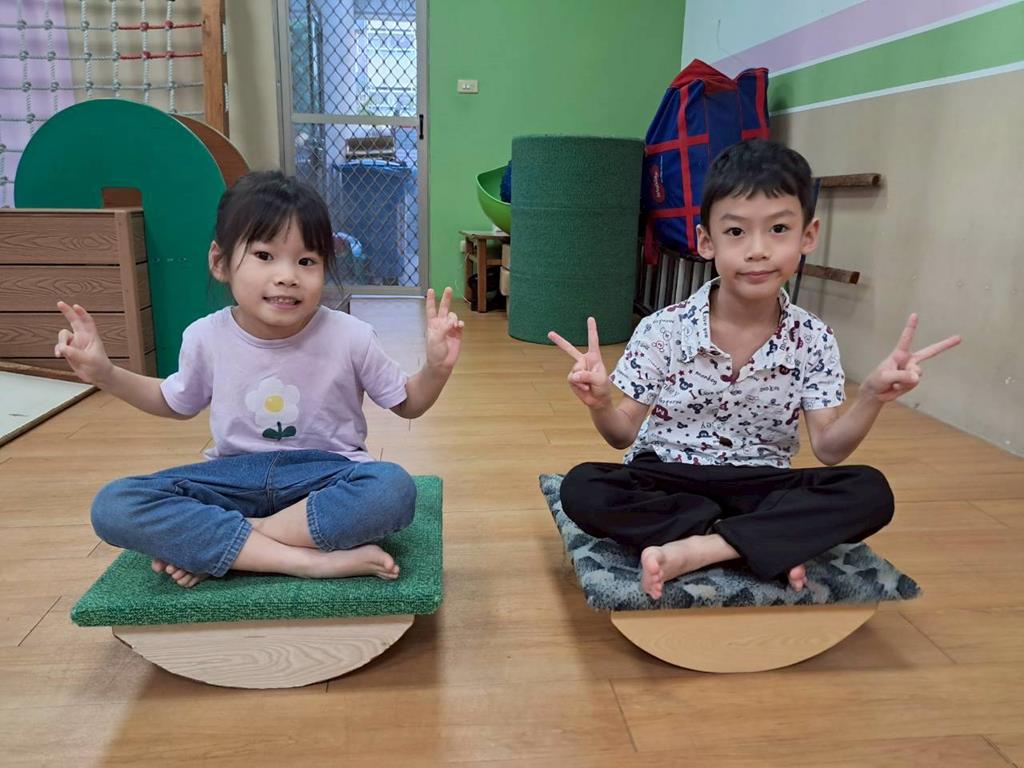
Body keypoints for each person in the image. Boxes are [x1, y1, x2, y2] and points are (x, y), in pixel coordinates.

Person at [549, 139, 960, 600]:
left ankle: (707, 547)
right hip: (668, 476)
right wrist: (601, 404)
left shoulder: (814, 338)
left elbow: (829, 450)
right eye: (736, 232)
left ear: (808, 235)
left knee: (870, 491)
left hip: (763, 484)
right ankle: (764, 541)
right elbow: (622, 435)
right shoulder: (663, 328)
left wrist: (871, 398)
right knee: (583, 487)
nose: (758, 250)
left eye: (779, 228)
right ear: (707, 241)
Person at [55, 170, 463, 588]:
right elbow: (172, 401)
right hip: (232, 479)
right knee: (114, 504)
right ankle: (305, 560)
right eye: (265, 255)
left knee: (392, 489)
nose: (287, 276)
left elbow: (407, 403)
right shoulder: (205, 336)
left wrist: (436, 368)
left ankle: (231, 542)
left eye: (306, 261)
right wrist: (105, 373)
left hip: (324, 476)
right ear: (220, 262)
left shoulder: (351, 335)